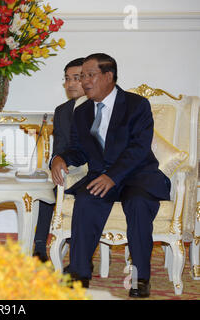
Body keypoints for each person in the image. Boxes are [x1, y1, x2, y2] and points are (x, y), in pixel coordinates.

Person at [51, 53, 170, 298]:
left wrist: (113, 176)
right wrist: (60, 158)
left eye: (89, 75)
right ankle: (79, 273)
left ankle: (140, 278)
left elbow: (138, 149)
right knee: (86, 200)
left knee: (138, 204)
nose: (84, 81)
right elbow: (78, 150)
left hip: (137, 175)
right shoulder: (82, 112)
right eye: (82, 76)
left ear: (109, 76)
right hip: (100, 176)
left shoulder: (137, 105)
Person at [33, 58, 86, 262]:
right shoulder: (62, 111)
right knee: (48, 181)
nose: (70, 83)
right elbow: (59, 147)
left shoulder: (101, 107)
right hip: (70, 167)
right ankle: (39, 246)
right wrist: (56, 160)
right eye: (67, 79)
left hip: (94, 169)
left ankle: (79, 249)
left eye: (76, 78)